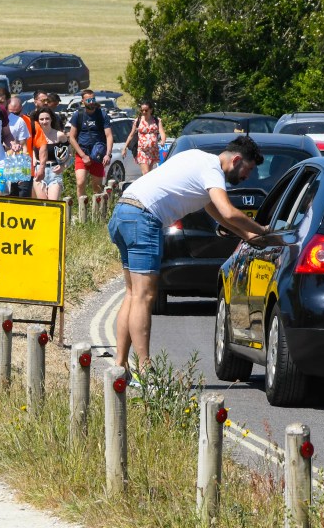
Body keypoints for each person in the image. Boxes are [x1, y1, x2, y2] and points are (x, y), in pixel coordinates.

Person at [108, 135, 268, 378]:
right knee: (145, 296)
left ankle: (120, 367)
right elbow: (229, 211)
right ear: (236, 160)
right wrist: (262, 231)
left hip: (123, 212)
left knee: (132, 294)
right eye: (248, 169)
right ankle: (144, 370)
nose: (248, 176)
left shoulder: (196, 159)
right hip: (143, 219)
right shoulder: (212, 170)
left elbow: (220, 217)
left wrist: (247, 235)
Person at [68, 90, 113, 199]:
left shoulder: (102, 114)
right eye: (88, 100)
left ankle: (97, 212)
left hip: (98, 154)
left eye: (93, 99)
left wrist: (108, 154)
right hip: (82, 153)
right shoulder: (78, 115)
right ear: (83, 101)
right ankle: (82, 209)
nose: (91, 102)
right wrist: (83, 156)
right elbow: (71, 137)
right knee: (80, 182)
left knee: (97, 187)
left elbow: (109, 136)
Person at [7, 95, 46, 197]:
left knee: (23, 202)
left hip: (25, 170)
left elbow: (42, 146)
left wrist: (41, 167)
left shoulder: (32, 124)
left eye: (16, 113)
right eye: (11, 113)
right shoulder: (2, 123)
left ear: (22, 110)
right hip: (5, 168)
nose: (13, 116)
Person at [32, 108, 69, 201]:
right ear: (38, 121)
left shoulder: (59, 135)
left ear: (51, 119)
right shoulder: (34, 135)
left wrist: (63, 167)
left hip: (54, 172)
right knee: (42, 205)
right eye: (41, 119)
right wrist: (33, 163)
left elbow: (70, 155)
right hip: (39, 170)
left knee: (53, 203)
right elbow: (32, 150)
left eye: (47, 118)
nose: (45, 121)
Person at [122, 101, 166, 176]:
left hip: (153, 150)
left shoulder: (156, 120)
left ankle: (148, 186)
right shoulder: (138, 121)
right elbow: (131, 135)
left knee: (149, 173)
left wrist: (163, 140)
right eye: (142, 110)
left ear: (151, 110)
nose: (144, 112)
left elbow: (162, 132)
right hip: (142, 151)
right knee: (146, 173)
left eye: (146, 110)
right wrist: (124, 147)